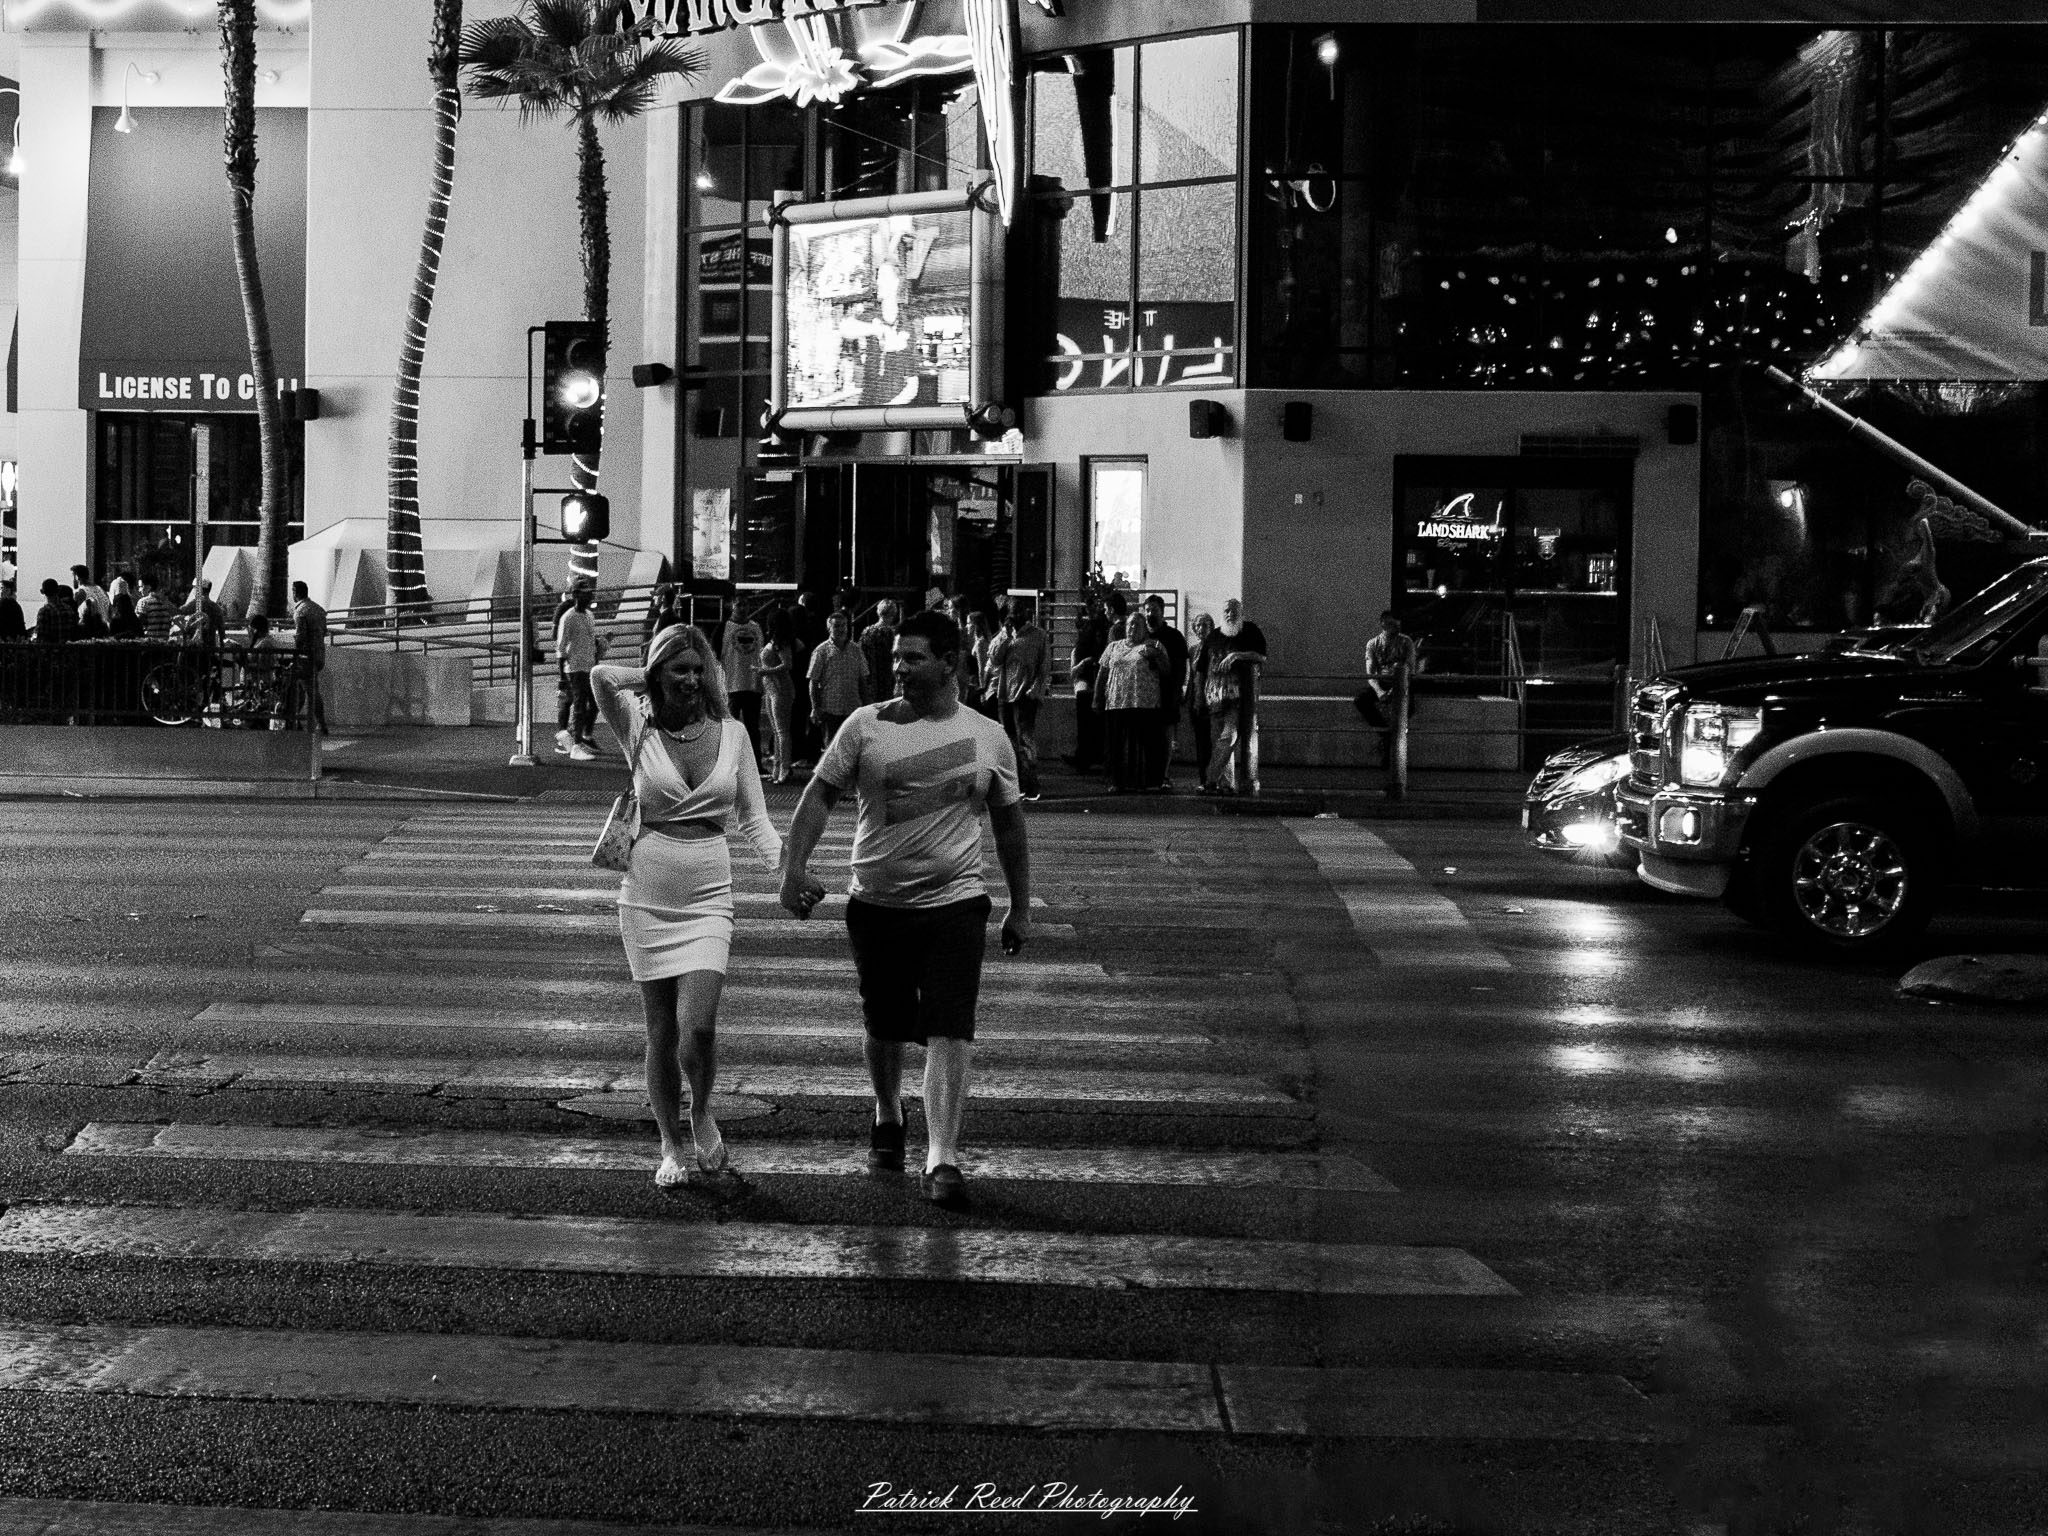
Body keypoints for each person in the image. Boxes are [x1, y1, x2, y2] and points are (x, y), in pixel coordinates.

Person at [778, 608, 1032, 1210]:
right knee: (885, 1022)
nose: (899, 667)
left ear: (949, 663)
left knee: (950, 1024)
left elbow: (1009, 825)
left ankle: (942, 1155)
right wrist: (793, 868)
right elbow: (819, 796)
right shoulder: (865, 726)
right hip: (876, 904)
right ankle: (888, 1111)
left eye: (912, 657)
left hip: (956, 904)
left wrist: (1019, 907)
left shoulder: (988, 735)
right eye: (895, 657)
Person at [591, 624, 783, 1189]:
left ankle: (701, 1110)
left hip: (708, 894)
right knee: (660, 1031)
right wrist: (650, 673)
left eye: (700, 669)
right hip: (646, 893)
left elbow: (755, 820)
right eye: (680, 669)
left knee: (696, 1027)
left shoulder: (734, 733)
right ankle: (670, 1144)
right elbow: (601, 676)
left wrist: (788, 870)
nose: (693, 680)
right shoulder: (637, 724)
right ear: (659, 673)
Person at [985, 597, 1051, 801]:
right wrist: (1006, 634)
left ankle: (1031, 784)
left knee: (1025, 740)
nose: (1017, 617)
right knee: (1009, 740)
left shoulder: (1038, 635)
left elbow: (1044, 665)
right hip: (1005, 693)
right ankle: (1016, 783)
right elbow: (994, 659)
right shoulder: (1004, 635)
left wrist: (1035, 690)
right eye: (1013, 613)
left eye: (1020, 612)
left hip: (1025, 694)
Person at [1202, 597, 1268, 797]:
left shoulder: (1250, 631)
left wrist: (1236, 655)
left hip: (1238, 697)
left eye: (1234, 610)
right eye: (1227, 611)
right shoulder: (1213, 636)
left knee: (1229, 737)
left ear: (1241, 613)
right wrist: (1199, 696)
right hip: (1214, 696)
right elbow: (1202, 668)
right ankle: (1226, 784)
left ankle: (1209, 780)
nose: (1230, 614)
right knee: (1218, 741)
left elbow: (1261, 656)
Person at [1098, 612, 1170, 792]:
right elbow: (1103, 672)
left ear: (1145, 629)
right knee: (1116, 744)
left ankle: (1147, 782)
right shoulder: (1113, 646)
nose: (1133, 628)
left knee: (1145, 743)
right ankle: (1117, 781)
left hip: (1144, 701)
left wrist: (1155, 656)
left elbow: (1166, 670)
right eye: (1130, 624)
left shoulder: (1154, 645)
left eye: (1137, 625)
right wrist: (1097, 697)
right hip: (1117, 701)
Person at [1141, 594, 1187, 787]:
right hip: (1144, 692)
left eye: (1154, 610)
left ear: (1162, 611)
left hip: (1167, 691)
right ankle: (1148, 774)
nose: (1150, 614)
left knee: (1166, 736)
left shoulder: (1174, 637)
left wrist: (1178, 690)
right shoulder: (1141, 635)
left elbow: (1181, 667)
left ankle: (1164, 774)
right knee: (1148, 736)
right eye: (1147, 610)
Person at [806, 608, 868, 753]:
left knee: (853, 748)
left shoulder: (856, 650)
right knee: (832, 748)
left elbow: (863, 679)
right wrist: (815, 707)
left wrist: (866, 704)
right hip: (830, 708)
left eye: (844, 625)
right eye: (837, 626)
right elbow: (813, 681)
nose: (841, 629)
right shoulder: (821, 651)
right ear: (829, 628)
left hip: (852, 706)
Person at [555, 585, 602, 760]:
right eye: (585, 594)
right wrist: (562, 677)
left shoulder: (589, 615)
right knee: (579, 705)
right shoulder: (568, 617)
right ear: (575, 595)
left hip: (589, 667)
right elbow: (560, 648)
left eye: (590, 593)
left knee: (594, 704)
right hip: (575, 668)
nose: (589, 597)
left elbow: (590, 641)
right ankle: (575, 745)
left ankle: (576, 736)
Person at [1066, 595, 1111, 773]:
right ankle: (1089, 755)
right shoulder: (1099, 628)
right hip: (1090, 676)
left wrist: (1084, 664)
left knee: (1085, 719)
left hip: (1088, 677)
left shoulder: (1094, 630)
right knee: (1092, 720)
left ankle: (1084, 756)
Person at [1355, 610, 1420, 729]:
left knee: (1409, 707)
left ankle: (1390, 733)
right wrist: (1379, 691)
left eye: (1397, 625)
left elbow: (1410, 670)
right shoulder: (1373, 644)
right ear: (1382, 623)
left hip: (1401, 682)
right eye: (1392, 624)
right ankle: (1385, 732)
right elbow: (1370, 674)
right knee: (1361, 700)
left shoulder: (1406, 642)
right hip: (1383, 682)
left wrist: (1394, 690)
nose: (1396, 627)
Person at [720, 611, 766, 763]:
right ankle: (728, 762)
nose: (743, 608)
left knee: (753, 727)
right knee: (730, 727)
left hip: (752, 684)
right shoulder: (724, 627)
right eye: (739, 604)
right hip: (732, 684)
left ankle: (755, 762)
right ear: (733, 605)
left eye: (745, 604)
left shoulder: (756, 627)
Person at [758, 611, 797, 784]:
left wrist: (766, 671)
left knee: (781, 731)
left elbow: (787, 664)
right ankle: (777, 769)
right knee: (777, 730)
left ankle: (784, 768)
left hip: (780, 688)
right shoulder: (776, 642)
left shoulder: (781, 643)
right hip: (772, 688)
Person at [290, 580, 331, 735]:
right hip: (319, 653)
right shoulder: (318, 609)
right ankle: (295, 721)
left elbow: (300, 636)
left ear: (295, 592)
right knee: (303, 689)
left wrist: (295, 656)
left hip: (306, 656)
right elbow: (324, 631)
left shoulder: (300, 612)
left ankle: (320, 723)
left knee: (308, 690)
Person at [1186, 612, 1216, 785]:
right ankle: (1203, 777)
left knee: (1212, 739)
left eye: (1205, 625)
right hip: (1196, 697)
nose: (1201, 628)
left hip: (1211, 696)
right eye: (1198, 625)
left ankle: (1213, 777)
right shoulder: (1193, 650)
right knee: (1200, 740)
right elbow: (1192, 676)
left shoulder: (1215, 648)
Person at [858, 598, 900, 704]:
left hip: (870, 679)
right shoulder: (893, 634)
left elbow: (861, 658)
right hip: (888, 679)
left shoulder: (867, 633)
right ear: (893, 614)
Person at [965, 612, 998, 717]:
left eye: (969, 623)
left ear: (976, 625)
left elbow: (982, 668)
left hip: (980, 687)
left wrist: (983, 690)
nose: (966, 626)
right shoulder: (982, 641)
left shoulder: (980, 643)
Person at [136, 575, 175, 643]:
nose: (139, 590)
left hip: (148, 643)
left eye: (141, 587)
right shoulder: (167, 603)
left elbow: (138, 624)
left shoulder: (143, 602)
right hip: (165, 643)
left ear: (148, 587)